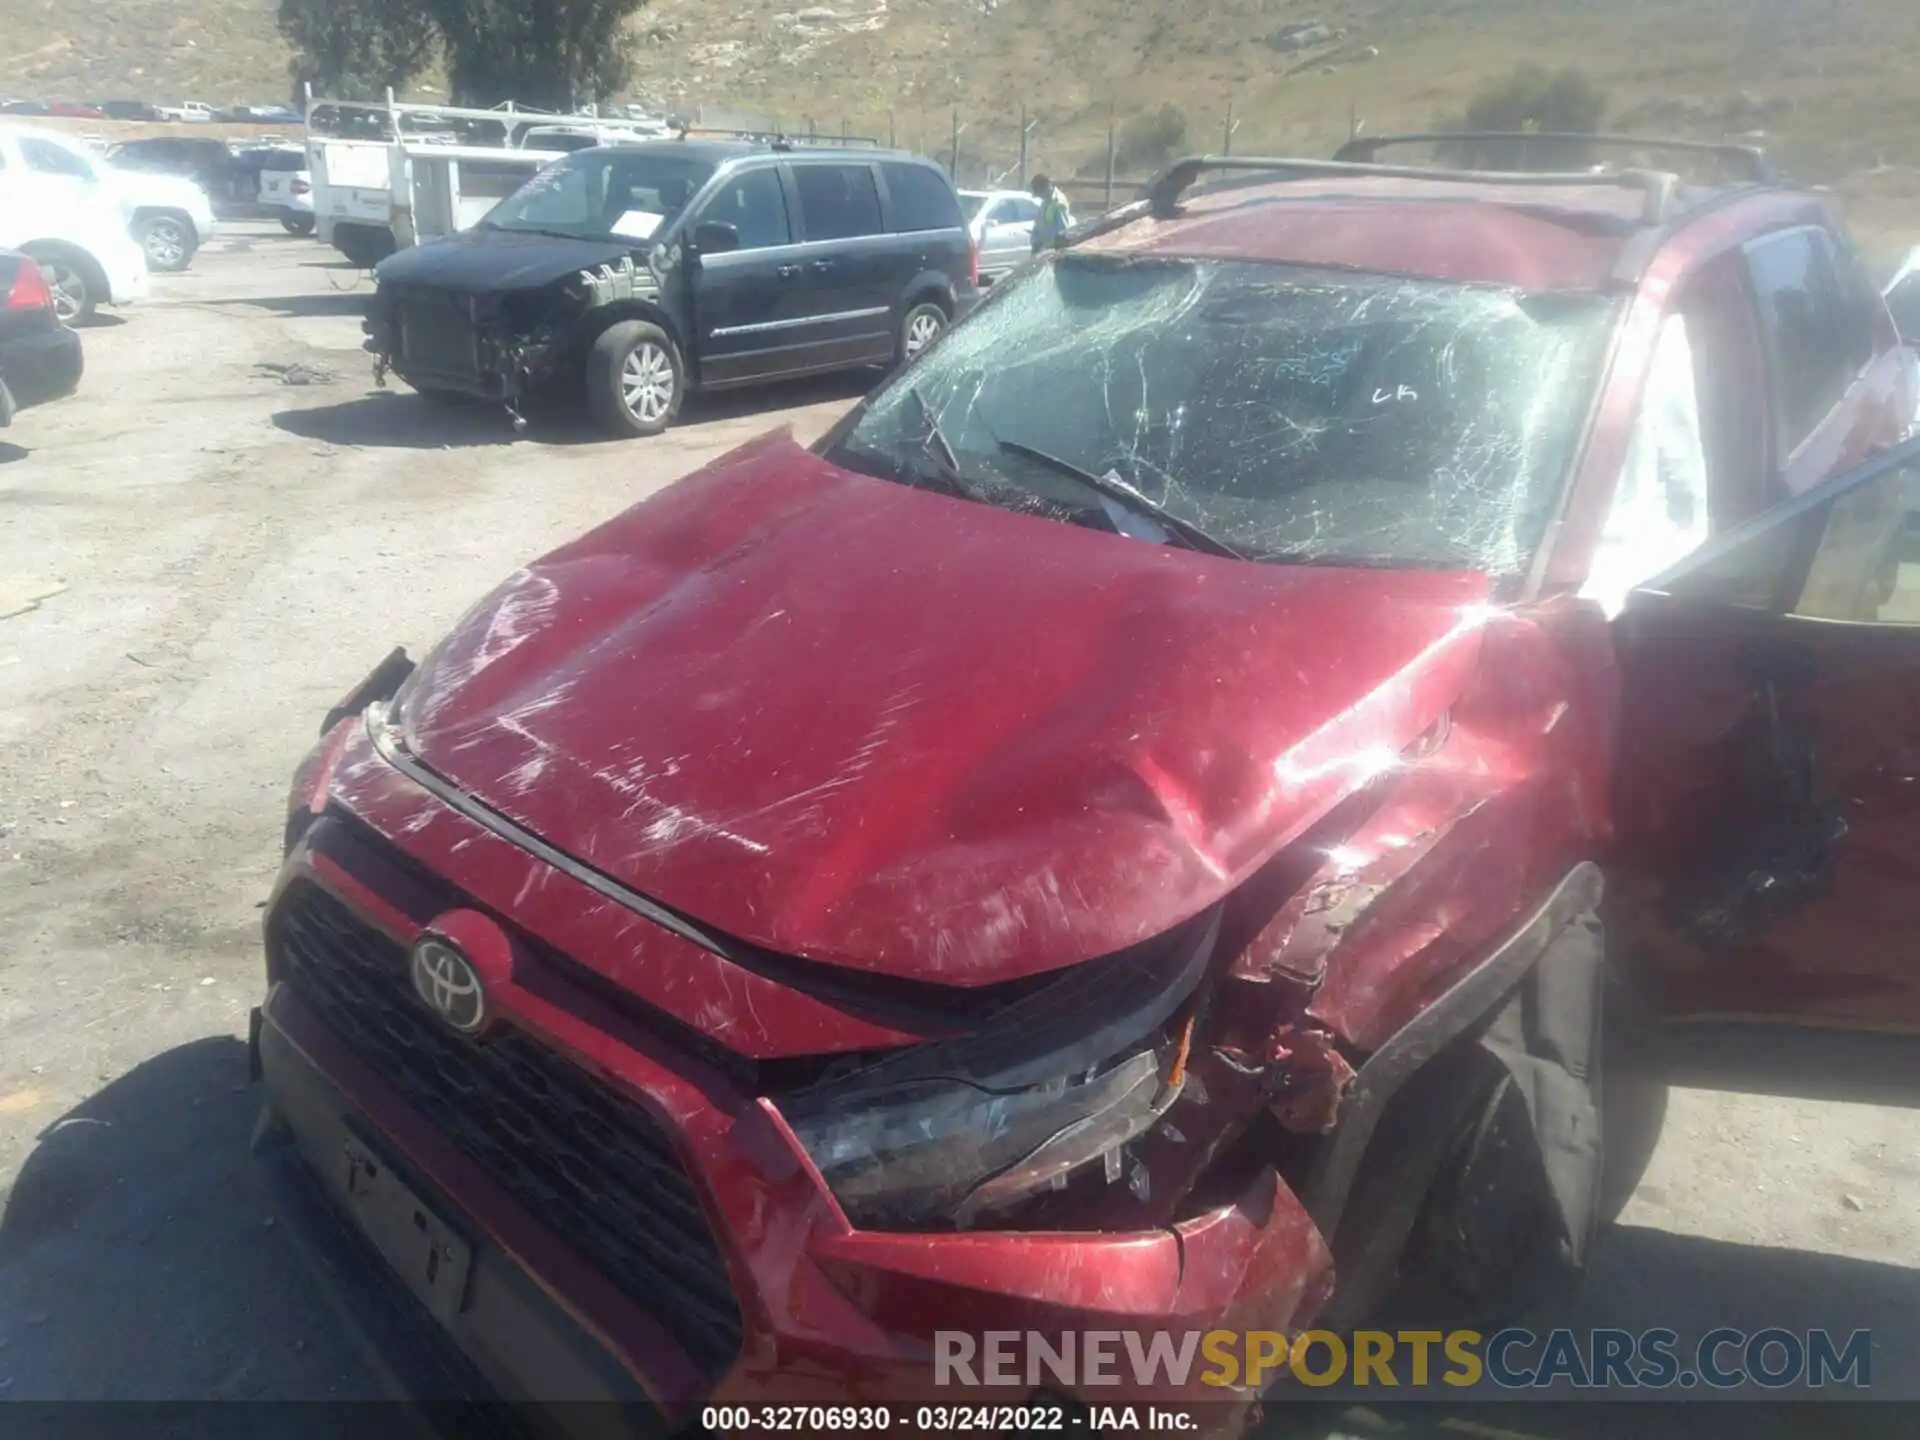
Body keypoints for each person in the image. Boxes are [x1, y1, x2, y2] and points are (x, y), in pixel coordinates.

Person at [1029, 174, 1073, 255]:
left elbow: (1062, 231)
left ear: (1046, 187)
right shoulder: (1046, 201)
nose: (1039, 196)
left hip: (1053, 250)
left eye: (1039, 193)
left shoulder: (1059, 203)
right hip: (1043, 249)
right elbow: (1039, 222)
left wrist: (1042, 240)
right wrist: (1034, 240)